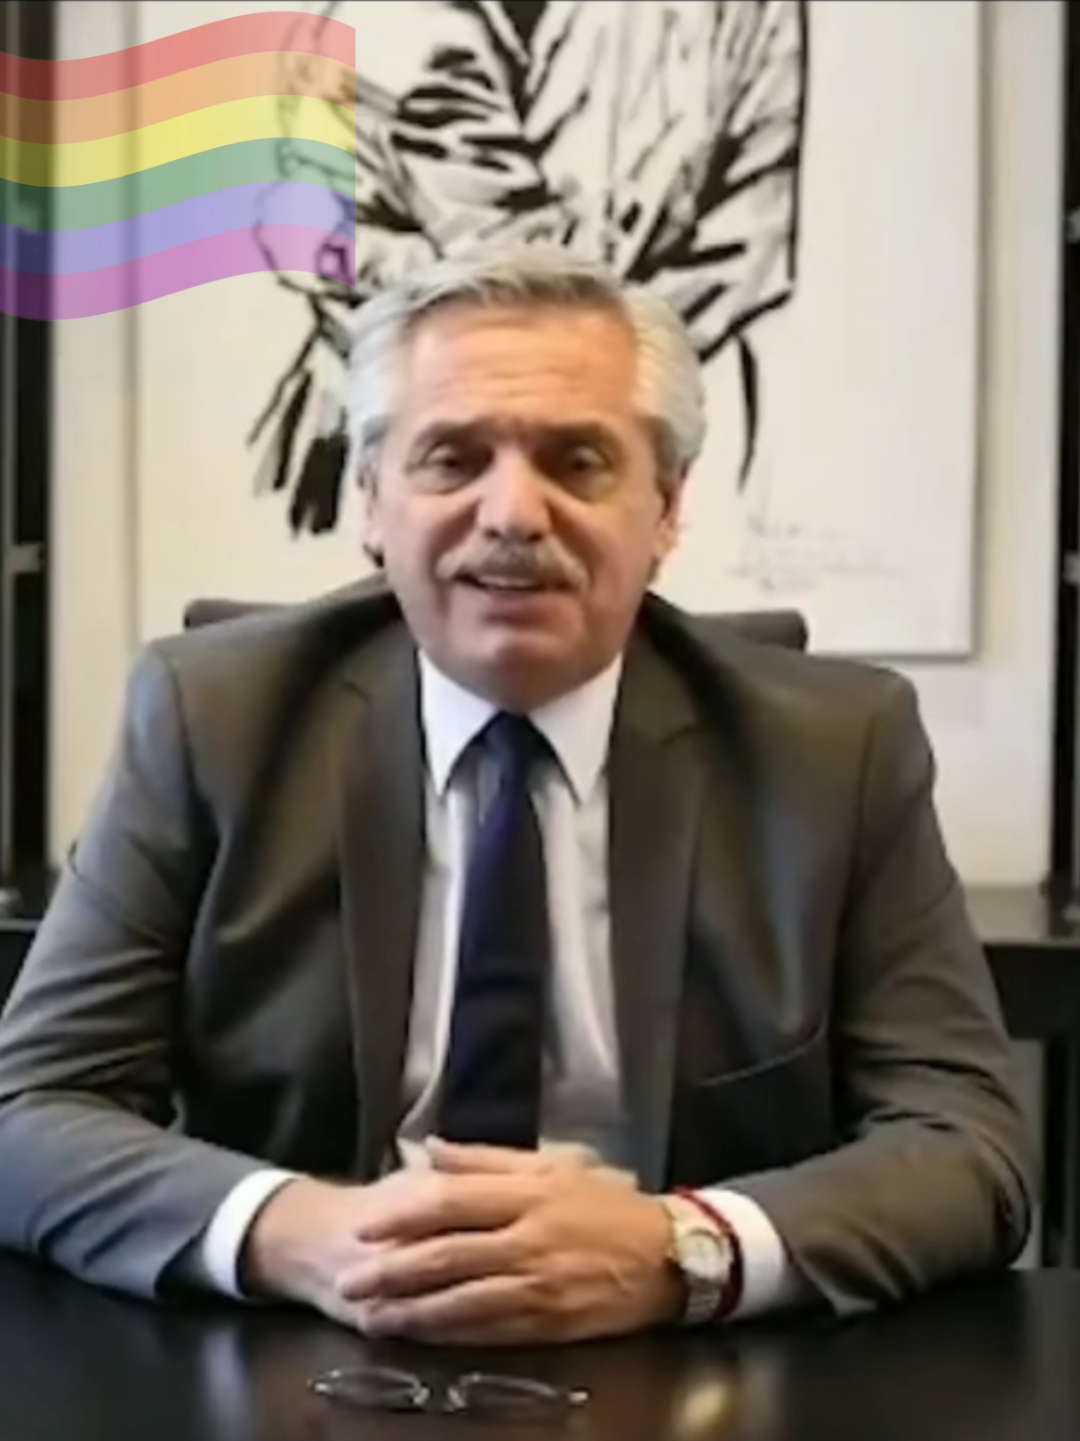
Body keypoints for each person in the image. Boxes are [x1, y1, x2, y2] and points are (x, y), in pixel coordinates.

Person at [0, 247, 1033, 1347]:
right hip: (307, 1351)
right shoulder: (211, 719)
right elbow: (30, 1108)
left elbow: (968, 1141)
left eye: (578, 461)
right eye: (452, 459)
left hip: (684, 1361)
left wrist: (680, 1248)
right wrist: (301, 1231)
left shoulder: (834, 749)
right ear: (370, 500)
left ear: (667, 507)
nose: (512, 513)